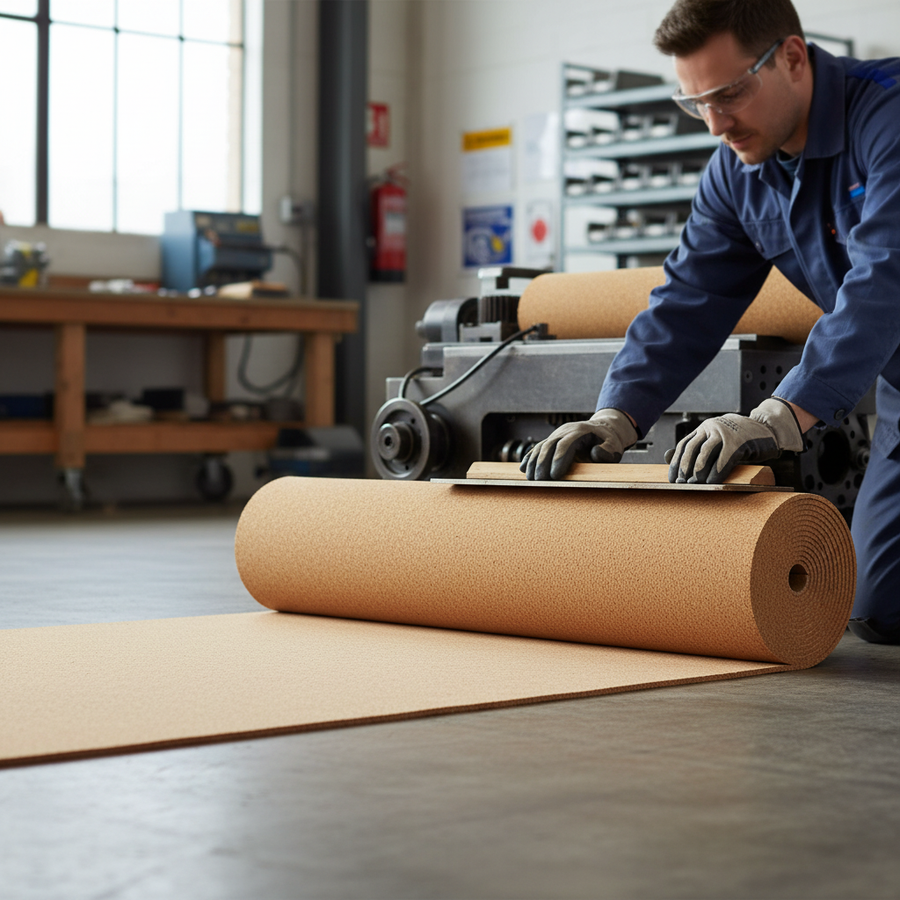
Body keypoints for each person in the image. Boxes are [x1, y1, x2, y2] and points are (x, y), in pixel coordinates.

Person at [521, 0, 900, 644]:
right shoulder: (738, 171)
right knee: (881, 608)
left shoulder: (888, 115)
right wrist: (617, 415)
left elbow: (885, 283)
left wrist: (780, 417)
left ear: (792, 58)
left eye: (729, 94)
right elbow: (687, 299)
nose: (715, 124)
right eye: (695, 103)